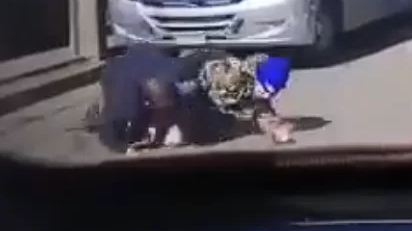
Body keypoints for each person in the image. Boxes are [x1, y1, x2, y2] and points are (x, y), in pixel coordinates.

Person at [84, 43, 294, 154]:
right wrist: (126, 148)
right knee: (164, 135)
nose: (267, 94)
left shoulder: (232, 72)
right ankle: (96, 117)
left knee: (200, 131)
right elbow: (114, 134)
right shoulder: (136, 94)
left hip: (175, 90)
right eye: (265, 88)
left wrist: (275, 127)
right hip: (143, 88)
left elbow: (259, 106)